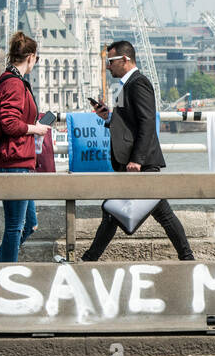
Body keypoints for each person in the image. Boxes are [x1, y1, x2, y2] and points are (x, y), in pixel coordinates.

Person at [80, 40, 194, 262]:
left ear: (125, 59)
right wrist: (109, 117)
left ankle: (187, 258)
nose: (107, 66)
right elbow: (129, 124)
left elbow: (147, 122)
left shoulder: (138, 83)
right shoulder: (126, 85)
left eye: (110, 61)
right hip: (133, 162)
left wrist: (137, 160)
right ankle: (89, 259)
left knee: (156, 213)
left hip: (139, 164)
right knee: (117, 213)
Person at [0, 32, 51, 263]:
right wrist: (35, 129)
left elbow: (12, 119)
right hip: (12, 163)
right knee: (16, 226)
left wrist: (31, 125)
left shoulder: (9, 80)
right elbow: (9, 123)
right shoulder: (14, 84)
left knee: (30, 225)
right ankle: (5, 273)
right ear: (32, 57)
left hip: (18, 161)